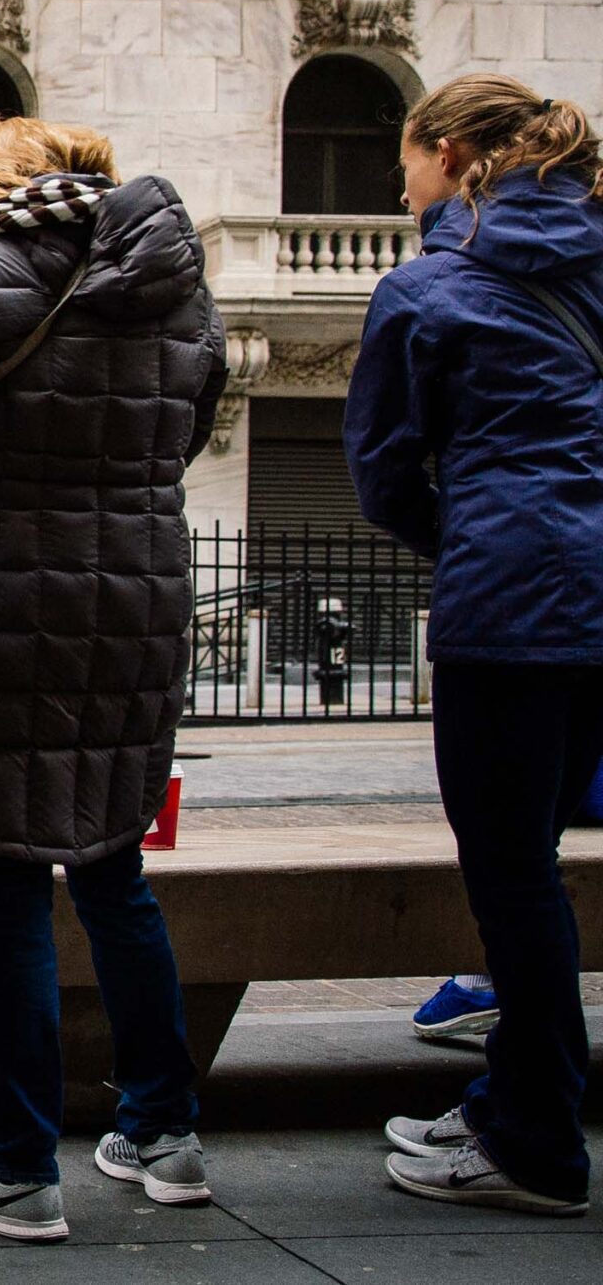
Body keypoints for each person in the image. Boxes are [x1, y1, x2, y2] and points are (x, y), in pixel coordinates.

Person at [0, 115, 227, 1243]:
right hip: (140, 597)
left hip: (6, 595)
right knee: (112, 864)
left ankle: (16, 1167)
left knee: (8, 879)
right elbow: (187, 429)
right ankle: (163, 1127)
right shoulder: (175, 280)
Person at [345, 73, 603, 1218]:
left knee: (510, 874)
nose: (396, 186)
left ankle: (538, 1141)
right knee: (533, 863)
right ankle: (512, 1095)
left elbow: (385, 471)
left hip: (511, 607)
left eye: (402, 161)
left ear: (448, 155)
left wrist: (477, 536)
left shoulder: (424, 288)